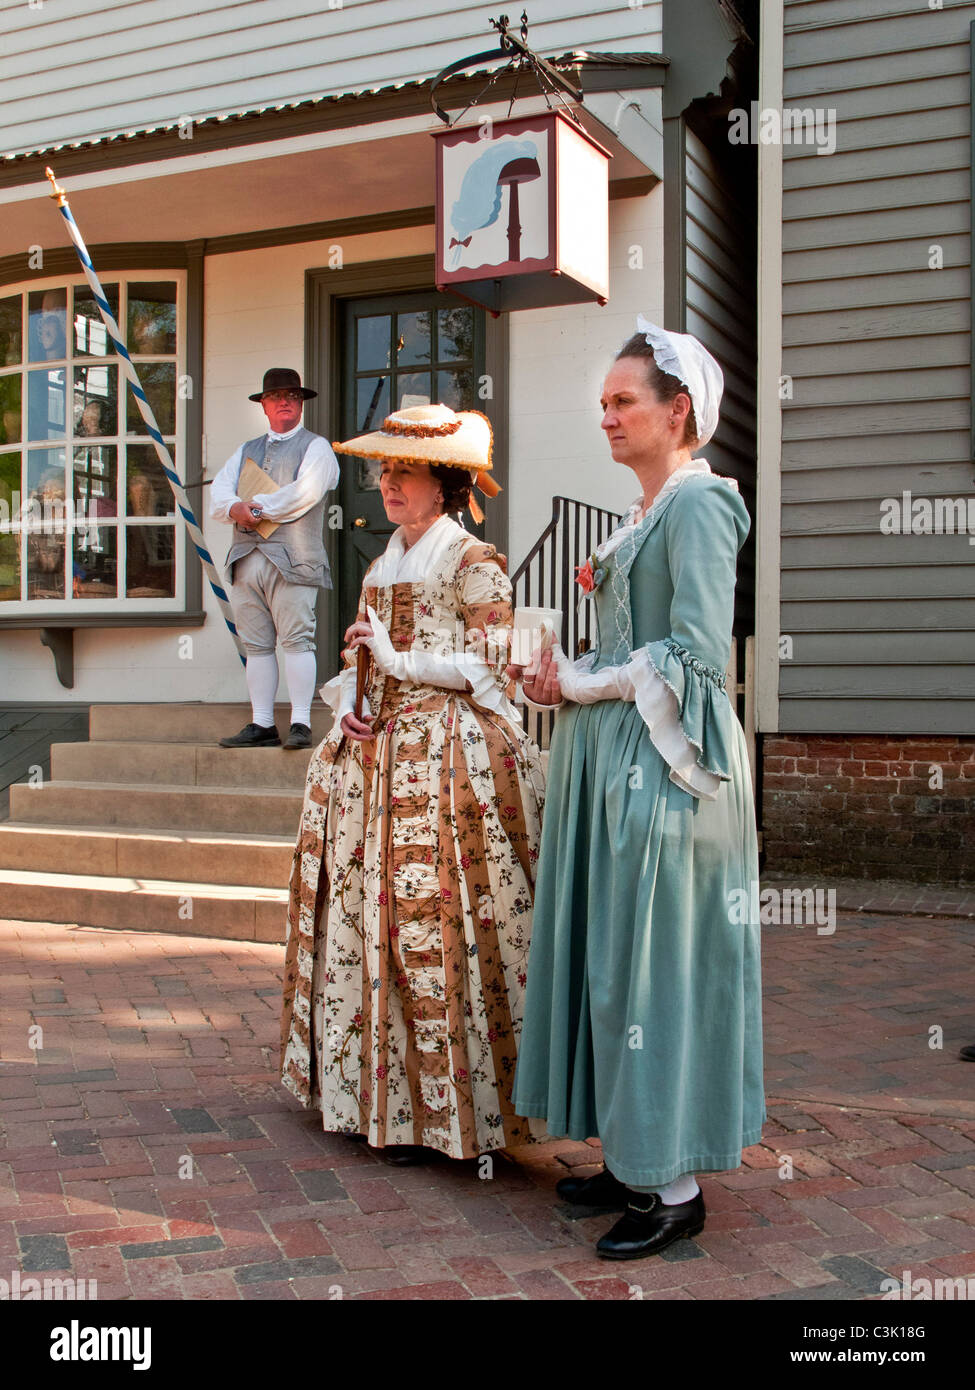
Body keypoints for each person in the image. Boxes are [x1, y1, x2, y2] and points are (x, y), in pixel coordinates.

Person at [508, 317, 765, 1260]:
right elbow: (627, 653)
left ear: (678, 410)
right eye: (603, 403)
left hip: (667, 770)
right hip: (610, 765)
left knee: (652, 970)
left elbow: (696, 660)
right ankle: (632, 1154)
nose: (607, 417)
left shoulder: (698, 506)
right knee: (610, 963)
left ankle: (678, 1189)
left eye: (624, 402)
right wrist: (562, 674)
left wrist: (582, 681)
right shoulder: (642, 515)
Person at [280, 403, 544, 1163]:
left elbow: (494, 658)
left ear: (445, 481)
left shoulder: (473, 561)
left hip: (449, 758)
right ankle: (388, 1106)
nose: (388, 484)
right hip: (376, 753)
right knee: (373, 920)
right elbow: (366, 660)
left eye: (404, 471)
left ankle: (459, 1114)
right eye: (383, 471)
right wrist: (350, 707)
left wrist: (401, 664)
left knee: (439, 918)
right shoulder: (379, 562)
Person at [210, 368, 338, 750]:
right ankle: (262, 723)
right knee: (257, 645)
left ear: (300, 404)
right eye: (277, 396)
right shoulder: (245, 450)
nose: (286, 402)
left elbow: (306, 492)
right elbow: (219, 493)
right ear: (264, 404)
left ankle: (300, 721)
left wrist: (257, 507)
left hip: (294, 558)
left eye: (293, 396)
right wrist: (234, 507)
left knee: (298, 639)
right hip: (246, 557)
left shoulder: (317, 447)